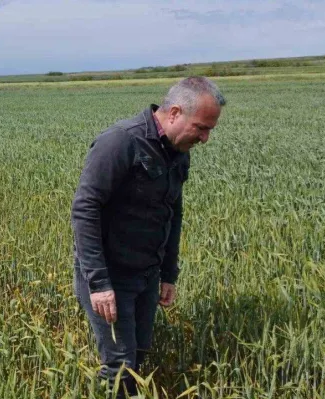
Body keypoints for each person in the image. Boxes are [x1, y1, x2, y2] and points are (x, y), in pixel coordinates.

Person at [71, 77, 225, 397]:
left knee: (140, 354)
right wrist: (99, 284)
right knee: (120, 366)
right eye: (201, 127)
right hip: (111, 275)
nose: (206, 138)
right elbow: (85, 209)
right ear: (174, 113)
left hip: (147, 273)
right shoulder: (121, 142)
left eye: (210, 129)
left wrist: (168, 273)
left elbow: (173, 213)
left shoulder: (178, 151)